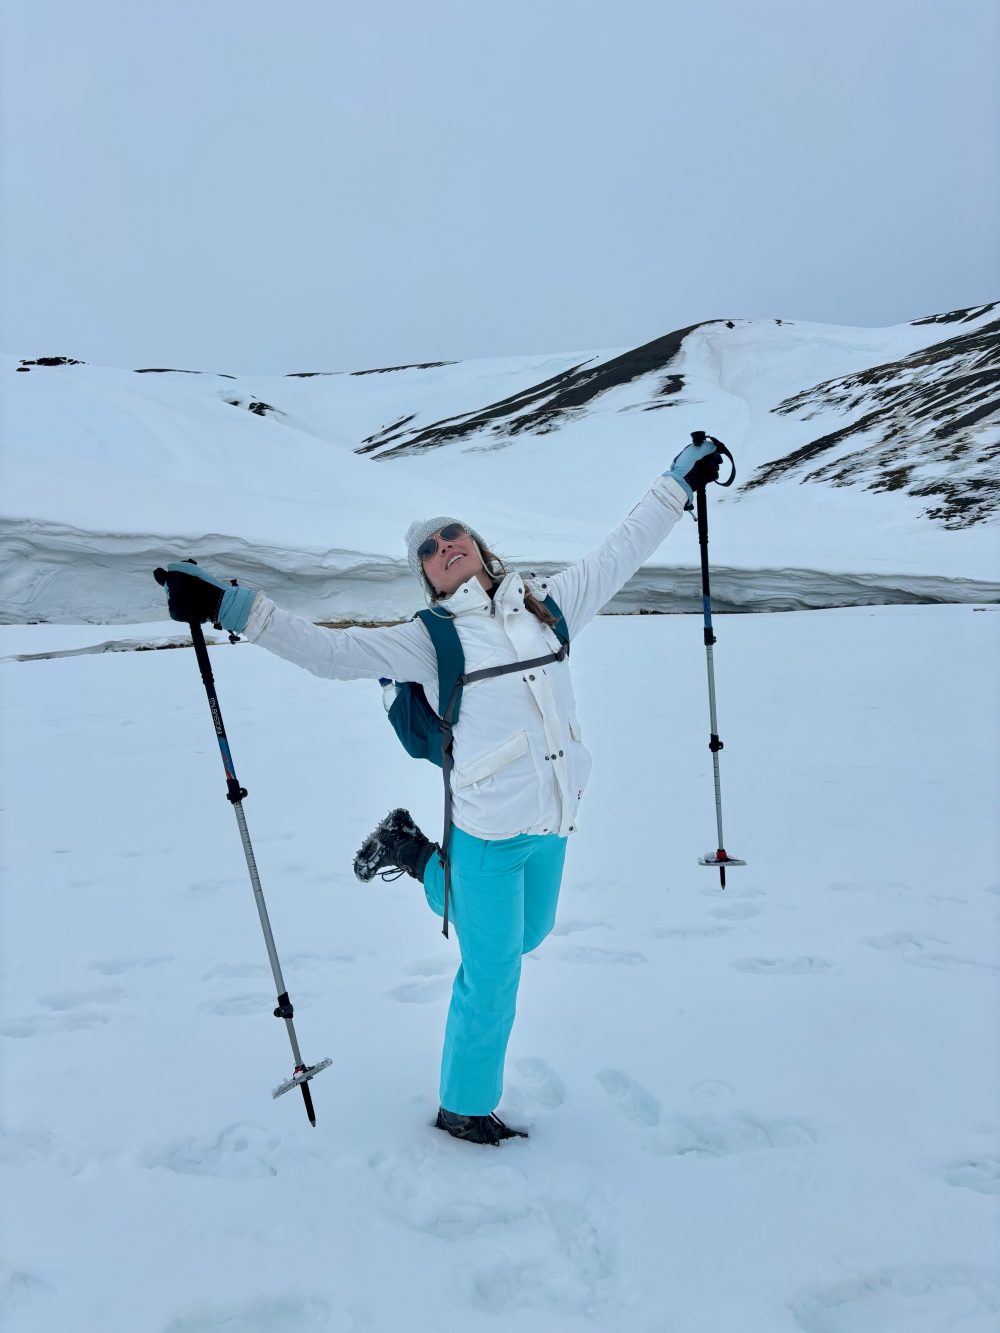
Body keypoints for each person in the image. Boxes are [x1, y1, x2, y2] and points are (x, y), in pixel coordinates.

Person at [158, 435, 723, 1145]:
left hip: (554, 821)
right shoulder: (429, 639)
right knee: (491, 978)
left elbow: (620, 550)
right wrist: (231, 607)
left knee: (529, 934)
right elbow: (332, 654)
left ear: (481, 548)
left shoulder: (547, 607)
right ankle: (464, 1105)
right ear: (428, 577)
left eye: (453, 534)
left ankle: (416, 854)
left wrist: (677, 482)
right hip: (486, 834)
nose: (444, 546)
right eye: (429, 548)